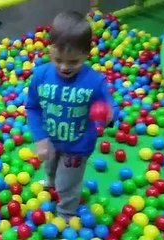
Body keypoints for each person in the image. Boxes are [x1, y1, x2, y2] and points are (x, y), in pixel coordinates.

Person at [25, 10, 115, 222]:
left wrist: (109, 115)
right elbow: (33, 108)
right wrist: (41, 138)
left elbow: (109, 108)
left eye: (73, 62)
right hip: (51, 140)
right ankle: (49, 182)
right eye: (58, 59)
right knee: (50, 167)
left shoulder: (95, 82)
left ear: (87, 53)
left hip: (77, 146)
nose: (65, 67)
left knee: (68, 184)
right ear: (50, 50)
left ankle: (66, 212)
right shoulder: (41, 75)